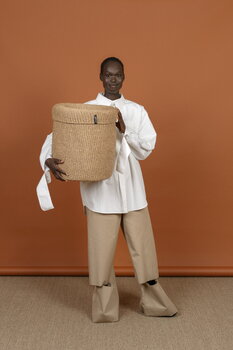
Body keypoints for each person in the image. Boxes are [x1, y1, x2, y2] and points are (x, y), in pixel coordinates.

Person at [37, 57, 178, 323]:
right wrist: (47, 158)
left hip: (133, 191)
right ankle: (105, 310)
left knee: (144, 251)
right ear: (100, 76)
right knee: (101, 256)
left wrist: (125, 132)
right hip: (100, 193)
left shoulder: (136, 111)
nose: (113, 80)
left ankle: (156, 303)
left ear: (124, 77)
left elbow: (147, 147)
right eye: (108, 75)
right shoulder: (85, 110)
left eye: (118, 75)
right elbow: (54, 136)